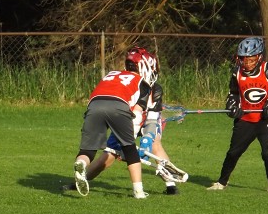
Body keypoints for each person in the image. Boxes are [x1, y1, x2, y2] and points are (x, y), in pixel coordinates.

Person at [65, 56, 181, 195]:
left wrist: (147, 140)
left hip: (145, 121)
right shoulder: (133, 82)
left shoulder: (155, 89)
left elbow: (152, 118)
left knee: (155, 144)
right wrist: (125, 145)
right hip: (125, 120)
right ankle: (80, 180)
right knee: (109, 156)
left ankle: (170, 185)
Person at [71, 46, 155, 199]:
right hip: (118, 105)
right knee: (129, 149)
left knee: (88, 150)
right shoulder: (142, 83)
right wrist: (131, 135)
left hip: (94, 104)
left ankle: (81, 164)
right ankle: (139, 191)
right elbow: (137, 113)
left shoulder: (112, 73)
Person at [207, 36, 268, 193]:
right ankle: (222, 182)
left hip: (264, 119)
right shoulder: (237, 72)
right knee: (233, 152)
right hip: (245, 119)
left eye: (251, 60)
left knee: (267, 153)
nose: (247, 63)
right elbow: (234, 94)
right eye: (244, 59)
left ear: (259, 57)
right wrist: (232, 106)